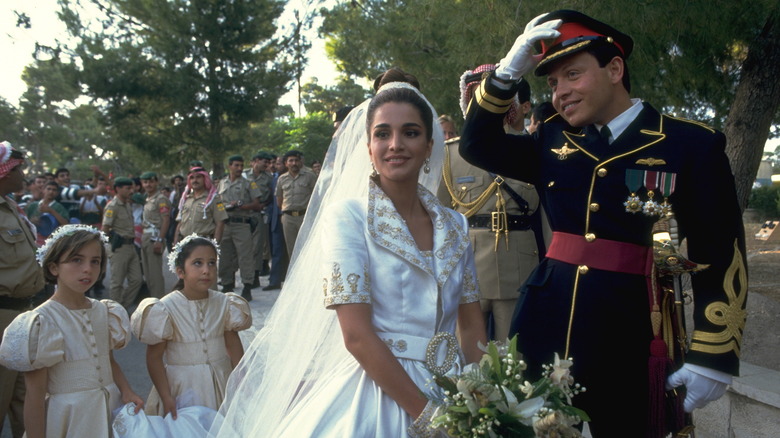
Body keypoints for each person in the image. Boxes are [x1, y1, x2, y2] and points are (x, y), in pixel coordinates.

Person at [459, 10, 747, 436]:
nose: (560, 93)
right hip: (545, 321)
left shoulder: (688, 144)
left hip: (628, 331)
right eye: (553, 83)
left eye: (572, 75)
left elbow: (718, 251)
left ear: (614, 69)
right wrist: (506, 73)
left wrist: (714, 353)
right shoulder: (552, 140)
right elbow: (476, 144)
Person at [210, 76, 486, 437]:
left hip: (454, 388)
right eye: (383, 134)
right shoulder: (348, 217)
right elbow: (356, 335)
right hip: (377, 393)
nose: (396, 145)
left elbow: (471, 324)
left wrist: (484, 394)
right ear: (368, 146)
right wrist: (428, 416)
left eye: (411, 133)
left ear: (430, 144)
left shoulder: (455, 225)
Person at [0, 224, 144, 438]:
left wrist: (126, 390)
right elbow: (35, 395)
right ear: (54, 267)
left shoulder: (103, 310)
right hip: (70, 415)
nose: (87, 269)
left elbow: (108, 359)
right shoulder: (42, 321)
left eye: (95, 261)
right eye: (77, 260)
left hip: (107, 406)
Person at [439, 66, 546, 342]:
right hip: (469, 266)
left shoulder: (529, 150)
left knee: (514, 356)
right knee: (467, 354)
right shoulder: (451, 154)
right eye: (478, 101)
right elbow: (439, 217)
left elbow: (546, 218)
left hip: (520, 265)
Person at [130, 235, 251, 418]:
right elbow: (154, 358)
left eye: (211, 263)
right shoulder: (165, 308)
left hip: (220, 380)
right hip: (183, 385)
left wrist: (241, 381)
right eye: (197, 263)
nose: (206, 270)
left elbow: (233, 345)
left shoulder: (224, 303)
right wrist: (166, 395)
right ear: (180, 271)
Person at [0, 142, 46, 438]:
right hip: (2, 315)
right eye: (18, 168)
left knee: (25, 398)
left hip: (24, 312)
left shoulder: (10, 208)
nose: (23, 174)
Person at [217, 155, 262, 300]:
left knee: (245, 256)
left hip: (242, 223)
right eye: (236, 165)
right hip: (225, 223)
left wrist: (242, 205)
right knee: (225, 255)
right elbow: (217, 202)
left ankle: (247, 285)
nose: (239, 168)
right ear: (229, 166)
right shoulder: (221, 183)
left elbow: (257, 204)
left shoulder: (249, 183)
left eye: (241, 166)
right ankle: (227, 284)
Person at [102, 177, 144, 309]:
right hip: (119, 247)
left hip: (131, 246)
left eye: (131, 188)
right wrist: (108, 246)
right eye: (127, 188)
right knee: (117, 282)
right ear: (118, 189)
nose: (131, 191)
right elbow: (105, 228)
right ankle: (114, 312)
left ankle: (122, 307)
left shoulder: (127, 204)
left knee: (137, 280)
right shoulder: (113, 206)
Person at [275, 149, 317, 260]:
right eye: (291, 161)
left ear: (300, 162)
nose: (294, 163)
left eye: (296, 160)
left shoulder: (310, 176)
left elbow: (316, 197)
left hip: (305, 216)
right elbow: (279, 200)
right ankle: (294, 275)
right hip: (288, 218)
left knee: (307, 246)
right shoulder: (281, 179)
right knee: (291, 249)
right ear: (286, 163)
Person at [173, 166, 227, 245]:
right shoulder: (185, 199)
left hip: (204, 243)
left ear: (205, 178)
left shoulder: (213, 199)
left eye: (198, 177)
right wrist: (175, 243)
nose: (195, 180)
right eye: (192, 178)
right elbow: (180, 223)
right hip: (185, 242)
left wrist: (215, 246)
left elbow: (220, 223)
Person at [140, 172, 171, 299]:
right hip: (146, 237)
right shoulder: (147, 198)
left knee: (154, 274)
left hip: (154, 238)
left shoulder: (161, 199)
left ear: (157, 182)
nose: (148, 185)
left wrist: (159, 240)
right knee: (148, 274)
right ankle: (152, 300)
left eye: (151, 182)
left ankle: (158, 301)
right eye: (145, 182)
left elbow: (166, 220)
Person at [244, 151, 274, 285]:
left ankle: (255, 275)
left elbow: (272, 194)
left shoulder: (268, 177)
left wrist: (263, 204)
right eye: (265, 162)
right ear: (256, 161)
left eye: (268, 163)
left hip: (258, 214)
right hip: (243, 213)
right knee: (244, 246)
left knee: (257, 246)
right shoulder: (244, 175)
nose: (267, 165)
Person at [262, 154, 287, 291]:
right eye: (275, 163)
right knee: (276, 250)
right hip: (275, 219)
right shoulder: (273, 179)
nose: (276, 166)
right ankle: (275, 280)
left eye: (278, 163)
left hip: (290, 217)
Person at [25, 181, 70, 245]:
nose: (51, 192)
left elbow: (66, 224)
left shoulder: (59, 207)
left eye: (54, 190)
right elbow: (23, 221)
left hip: (51, 241)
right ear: (43, 190)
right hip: (33, 239)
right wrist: (30, 221)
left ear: (57, 193)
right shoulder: (33, 205)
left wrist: (51, 211)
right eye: (48, 189)